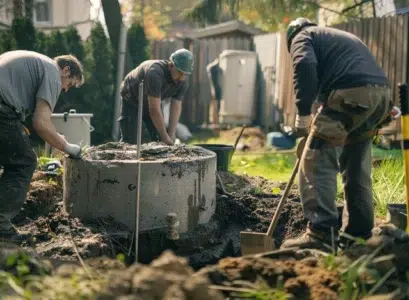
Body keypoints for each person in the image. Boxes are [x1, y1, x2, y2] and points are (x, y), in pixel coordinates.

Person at [280, 18, 396, 250]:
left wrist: (303, 113)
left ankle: (321, 233)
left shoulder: (304, 36)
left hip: (352, 94)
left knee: (315, 159)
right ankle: (358, 233)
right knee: (356, 164)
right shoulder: (336, 39)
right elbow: (346, 73)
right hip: (380, 97)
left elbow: (304, 64)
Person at [0, 50, 84, 241]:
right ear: (65, 70)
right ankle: (1, 226)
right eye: (69, 83)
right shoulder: (53, 73)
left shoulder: (37, 62)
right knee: (24, 162)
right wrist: (67, 147)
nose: (65, 90)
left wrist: (55, 137)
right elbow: (42, 124)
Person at [118, 48, 193, 145]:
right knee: (130, 141)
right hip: (131, 96)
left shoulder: (182, 82)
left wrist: (171, 133)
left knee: (159, 138)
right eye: (180, 72)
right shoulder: (155, 73)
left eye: (185, 74)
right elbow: (154, 109)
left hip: (152, 100)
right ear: (171, 65)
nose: (182, 77)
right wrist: (165, 136)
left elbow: (176, 107)